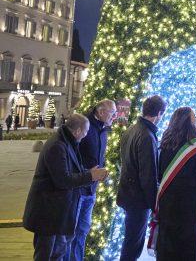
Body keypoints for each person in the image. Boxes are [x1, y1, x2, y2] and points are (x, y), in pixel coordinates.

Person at [23, 114, 108, 260]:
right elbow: (62, 179)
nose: (86, 135)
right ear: (77, 131)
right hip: (49, 213)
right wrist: (90, 176)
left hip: (58, 213)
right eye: (86, 131)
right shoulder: (57, 146)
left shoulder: (67, 142)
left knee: (58, 253)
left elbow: (71, 170)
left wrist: (89, 173)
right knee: (46, 254)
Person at [156, 107, 196, 260]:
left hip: (167, 202)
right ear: (189, 121)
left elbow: (159, 173)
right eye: (194, 116)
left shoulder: (165, 142)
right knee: (187, 248)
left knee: (167, 245)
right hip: (188, 206)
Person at [64, 99, 116, 261]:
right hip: (78, 188)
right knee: (71, 231)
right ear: (101, 112)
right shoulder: (85, 126)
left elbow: (98, 155)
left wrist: (102, 171)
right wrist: (88, 173)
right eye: (112, 113)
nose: (115, 116)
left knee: (82, 230)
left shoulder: (103, 129)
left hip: (91, 189)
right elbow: (72, 156)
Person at [117, 95, 166, 261]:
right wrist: (155, 205)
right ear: (158, 114)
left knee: (131, 239)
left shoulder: (132, 129)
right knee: (133, 244)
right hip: (138, 198)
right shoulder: (147, 136)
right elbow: (148, 175)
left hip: (128, 193)